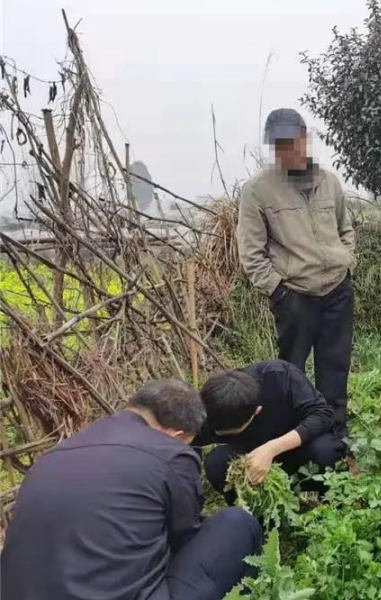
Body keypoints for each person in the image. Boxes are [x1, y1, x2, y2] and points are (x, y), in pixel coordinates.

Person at [0, 380, 261, 600]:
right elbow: (184, 536)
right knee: (236, 523)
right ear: (177, 435)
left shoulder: (54, 455)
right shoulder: (170, 454)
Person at [238, 108, 356, 439]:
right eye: (278, 146)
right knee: (291, 374)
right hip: (294, 297)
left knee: (335, 368)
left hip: (337, 290)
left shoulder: (328, 182)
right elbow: (250, 252)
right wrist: (278, 292)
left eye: (291, 142)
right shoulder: (258, 190)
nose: (286, 151)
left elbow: (346, 229)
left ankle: (336, 436)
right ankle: (297, 438)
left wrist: (346, 259)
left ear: (306, 138)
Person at [196, 358, 346, 502]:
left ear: (257, 411)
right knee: (216, 464)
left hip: (295, 448)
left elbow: (323, 414)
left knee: (326, 451)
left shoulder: (279, 375)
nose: (217, 434)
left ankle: (324, 499)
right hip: (249, 458)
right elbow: (180, 439)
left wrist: (271, 449)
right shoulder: (210, 406)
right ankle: (255, 513)